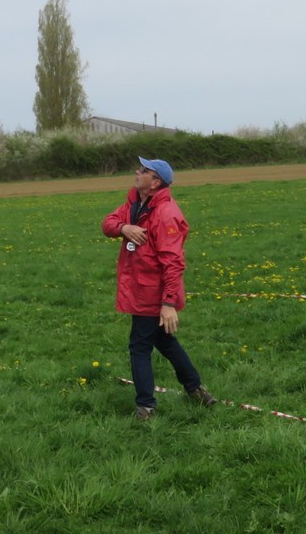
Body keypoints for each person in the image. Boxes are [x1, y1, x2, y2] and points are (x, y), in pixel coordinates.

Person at [101, 157, 216, 420]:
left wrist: (168, 303)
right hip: (140, 287)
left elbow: (174, 262)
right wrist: (124, 228)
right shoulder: (133, 204)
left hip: (153, 292)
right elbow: (107, 224)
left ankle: (146, 407)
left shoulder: (166, 213)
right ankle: (196, 389)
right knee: (163, 340)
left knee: (139, 346)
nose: (137, 172)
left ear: (155, 182)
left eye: (144, 170)